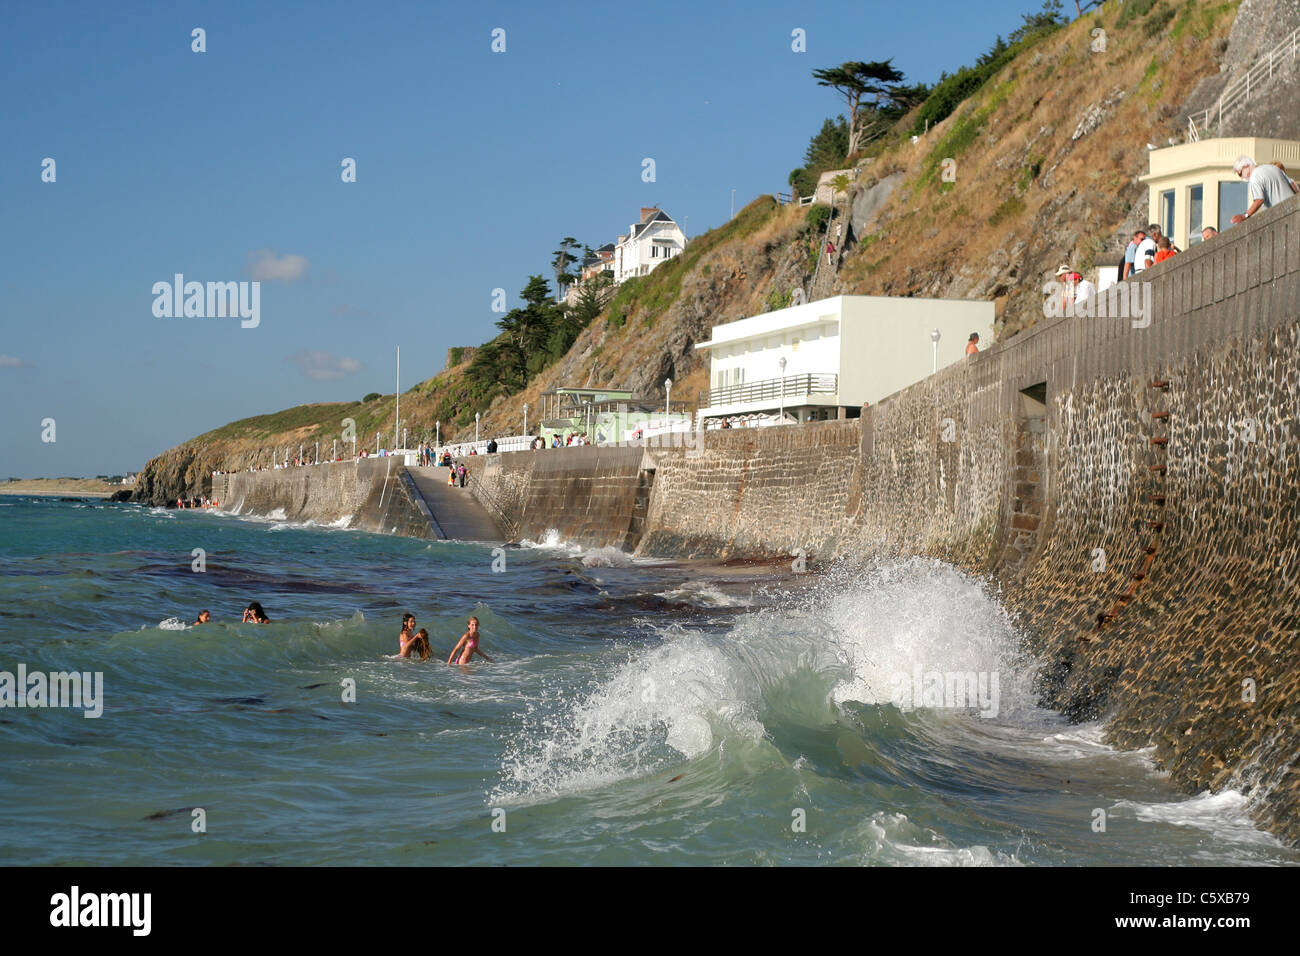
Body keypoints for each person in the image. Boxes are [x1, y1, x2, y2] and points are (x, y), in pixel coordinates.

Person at [1233, 155, 1298, 220]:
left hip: (1284, 216)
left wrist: (1244, 216)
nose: (1241, 177)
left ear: (1246, 166)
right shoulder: (1273, 167)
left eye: (1240, 173)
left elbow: (1259, 200)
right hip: (1295, 210)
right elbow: (1293, 186)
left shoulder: (1254, 177)